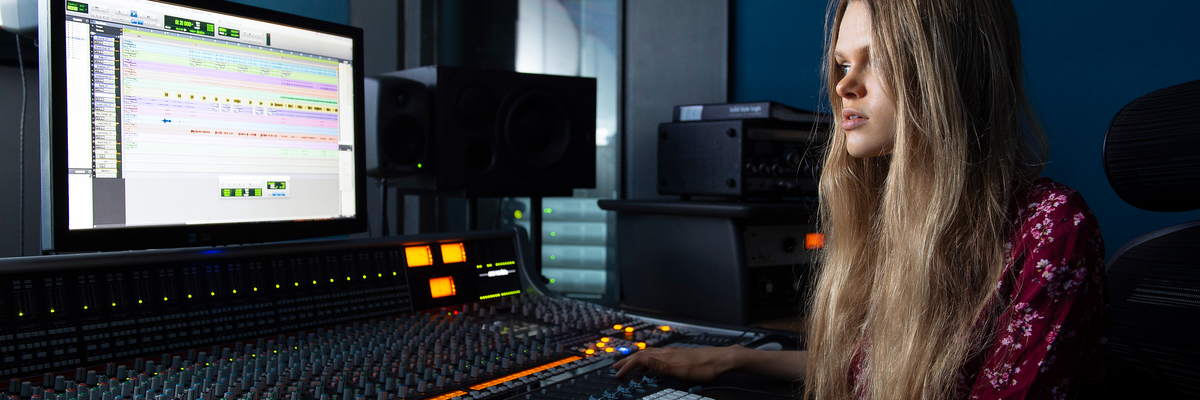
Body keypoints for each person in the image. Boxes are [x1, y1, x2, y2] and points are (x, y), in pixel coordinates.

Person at [613, 0, 1110, 398]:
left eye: (880, 61)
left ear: (952, 72)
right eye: (844, 64)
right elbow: (883, 368)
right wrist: (735, 357)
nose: (844, 86)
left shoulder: (1052, 227)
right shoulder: (891, 213)